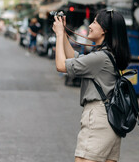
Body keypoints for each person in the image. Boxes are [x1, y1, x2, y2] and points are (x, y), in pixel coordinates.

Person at [52, 9, 131, 162]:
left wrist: (60, 34)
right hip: (109, 120)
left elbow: (61, 66)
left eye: (95, 22)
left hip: (98, 119)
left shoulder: (101, 57)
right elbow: (74, 58)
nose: (90, 26)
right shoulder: (107, 54)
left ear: (105, 30)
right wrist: (64, 35)